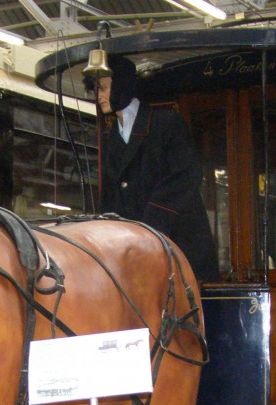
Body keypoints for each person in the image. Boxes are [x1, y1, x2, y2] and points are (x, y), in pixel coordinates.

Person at [94, 55, 219, 282]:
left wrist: (149, 226)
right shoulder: (111, 138)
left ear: (120, 85)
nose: (99, 96)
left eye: (103, 88)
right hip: (136, 256)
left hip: (178, 252)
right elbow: (111, 196)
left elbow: (187, 175)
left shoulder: (167, 124)